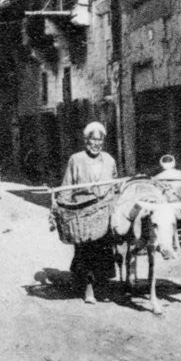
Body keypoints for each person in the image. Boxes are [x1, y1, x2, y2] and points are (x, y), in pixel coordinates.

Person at [61, 121, 117, 304]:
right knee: (85, 250)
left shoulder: (109, 160)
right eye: (93, 140)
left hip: (104, 211)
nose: (96, 144)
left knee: (105, 250)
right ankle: (88, 288)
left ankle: (103, 287)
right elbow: (67, 186)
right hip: (83, 212)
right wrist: (62, 208)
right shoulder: (76, 159)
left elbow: (115, 184)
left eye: (100, 141)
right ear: (86, 141)